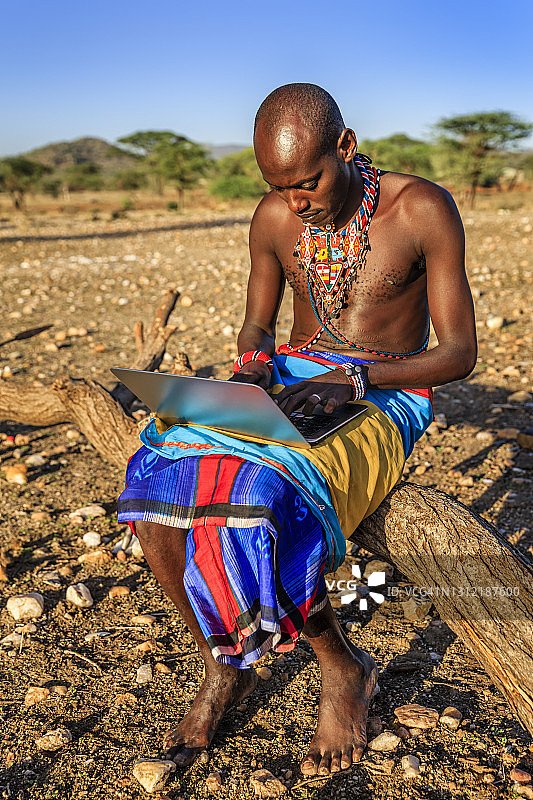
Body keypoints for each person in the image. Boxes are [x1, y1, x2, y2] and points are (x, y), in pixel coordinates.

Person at [117, 83, 477, 776]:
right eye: (278, 188)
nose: (295, 203)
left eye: (307, 182)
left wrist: (361, 381)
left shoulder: (420, 208)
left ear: (344, 146)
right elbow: (256, 327)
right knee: (154, 479)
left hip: (386, 392)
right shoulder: (274, 218)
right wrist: (252, 367)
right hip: (288, 382)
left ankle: (341, 667)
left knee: (261, 493)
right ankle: (224, 662)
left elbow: (458, 354)